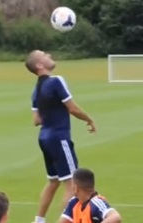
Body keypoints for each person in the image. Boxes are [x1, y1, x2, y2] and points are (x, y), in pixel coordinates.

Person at [25, 50, 96, 223]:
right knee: (73, 184)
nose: (49, 54)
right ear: (40, 65)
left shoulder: (36, 91)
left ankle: (39, 221)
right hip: (59, 138)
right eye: (44, 55)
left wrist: (50, 112)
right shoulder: (56, 81)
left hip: (44, 138)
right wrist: (89, 119)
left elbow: (36, 120)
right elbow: (72, 108)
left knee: (53, 182)